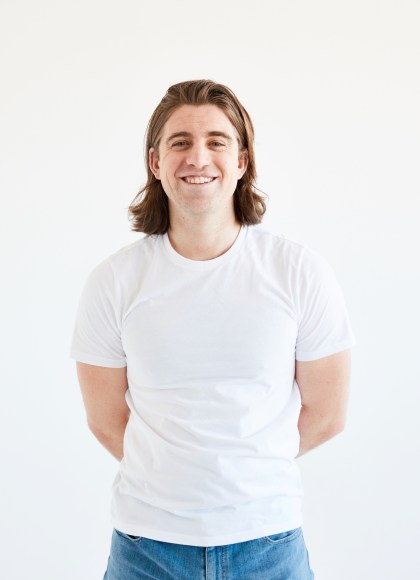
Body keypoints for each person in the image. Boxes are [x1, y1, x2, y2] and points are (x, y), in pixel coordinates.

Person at [70, 79, 355, 579]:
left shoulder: (298, 272)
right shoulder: (114, 281)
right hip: (146, 550)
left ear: (241, 161)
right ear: (156, 162)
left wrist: (245, 476)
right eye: (180, 142)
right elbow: (105, 419)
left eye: (216, 141)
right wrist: (177, 482)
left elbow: (327, 414)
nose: (198, 157)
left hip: (268, 546)